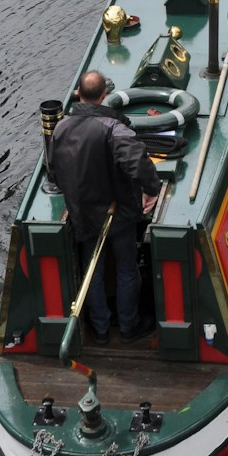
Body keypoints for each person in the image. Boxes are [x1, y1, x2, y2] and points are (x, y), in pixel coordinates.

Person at [51, 70, 160, 343]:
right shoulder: (114, 129)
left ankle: (99, 330)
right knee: (126, 269)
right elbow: (137, 162)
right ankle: (129, 325)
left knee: (94, 273)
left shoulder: (60, 128)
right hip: (117, 214)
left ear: (78, 93)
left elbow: (53, 170)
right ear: (103, 96)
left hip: (83, 215)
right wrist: (151, 190)